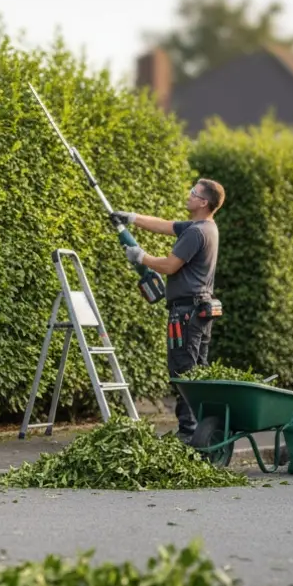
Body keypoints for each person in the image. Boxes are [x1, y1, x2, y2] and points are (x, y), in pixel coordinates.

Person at [111, 178, 224, 443]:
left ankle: (189, 434)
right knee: (197, 370)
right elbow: (165, 226)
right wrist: (131, 218)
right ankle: (201, 430)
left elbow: (170, 266)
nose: (189, 194)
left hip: (187, 313)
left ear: (203, 202)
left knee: (184, 373)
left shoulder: (197, 233)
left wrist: (141, 257)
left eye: (194, 193)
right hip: (198, 311)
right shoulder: (203, 227)